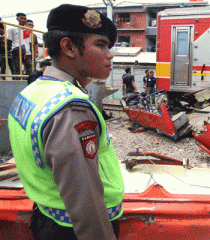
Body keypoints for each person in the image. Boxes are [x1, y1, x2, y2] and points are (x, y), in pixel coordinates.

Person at [8, 4, 124, 240]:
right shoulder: (71, 109)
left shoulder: (32, 92)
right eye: (100, 45)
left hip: (47, 215)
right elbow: (86, 202)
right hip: (73, 231)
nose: (110, 54)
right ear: (69, 47)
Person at [7, 13, 32, 79]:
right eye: (21, 18)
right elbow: (9, 40)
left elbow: (29, 41)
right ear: (17, 19)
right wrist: (13, 49)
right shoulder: (12, 29)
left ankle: (28, 82)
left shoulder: (28, 30)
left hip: (27, 51)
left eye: (24, 18)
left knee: (29, 68)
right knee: (17, 68)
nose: (23, 20)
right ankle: (17, 83)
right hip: (16, 50)